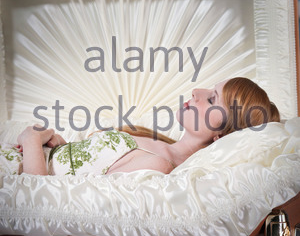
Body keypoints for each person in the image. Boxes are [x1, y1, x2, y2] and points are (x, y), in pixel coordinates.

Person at [16, 77, 280, 176]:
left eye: (212, 99)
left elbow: (40, 198)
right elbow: (81, 171)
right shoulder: (152, 140)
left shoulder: (158, 165)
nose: (196, 91)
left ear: (220, 135)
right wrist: (58, 146)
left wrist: (31, 139)